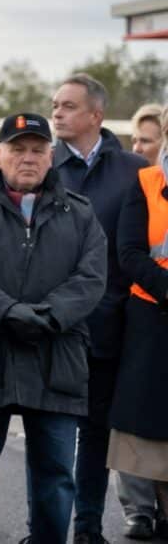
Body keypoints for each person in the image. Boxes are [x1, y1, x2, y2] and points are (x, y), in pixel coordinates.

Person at [0, 113, 107, 544]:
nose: (28, 158)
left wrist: (48, 316)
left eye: (37, 149)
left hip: (57, 359)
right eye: (17, 148)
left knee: (56, 481)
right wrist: (10, 312)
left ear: (51, 156)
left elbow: (91, 279)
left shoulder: (82, 214)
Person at [51, 74, 147, 544]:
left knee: (93, 435)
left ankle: (87, 525)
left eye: (68, 106)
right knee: (51, 434)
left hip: (111, 326)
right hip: (51, 325)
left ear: (96, 114)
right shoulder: (40, 164)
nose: (57, 113)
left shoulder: (134, 170)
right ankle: (45, 526)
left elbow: (137, 250)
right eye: (55, 105)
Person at [111, 104, 168, 541]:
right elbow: (128, 251)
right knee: (142, 420)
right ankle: (139, 511)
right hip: (152, 315)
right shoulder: (146, 183)